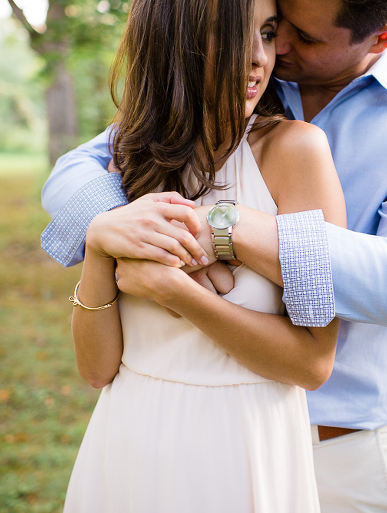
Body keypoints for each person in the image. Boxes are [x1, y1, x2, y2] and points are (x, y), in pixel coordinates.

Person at [42, 0, 387, 511]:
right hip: (178, 434)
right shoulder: (227, 87)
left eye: (304, 38)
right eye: (278, 27)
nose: (279, 49)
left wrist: (218, 227)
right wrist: (119, 230)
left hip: (345, 445)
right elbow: (75, 173)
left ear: (381, 40)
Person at [60, 0, 348, 511]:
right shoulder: (125, 161)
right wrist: (102, 239)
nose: (257, 58)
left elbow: (312, 363)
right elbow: (96, 370)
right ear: (173, 40)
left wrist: (177, 292)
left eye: (265, 33)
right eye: (234, 36)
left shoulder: (296, 152)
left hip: (245, 445)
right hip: (130, 439)